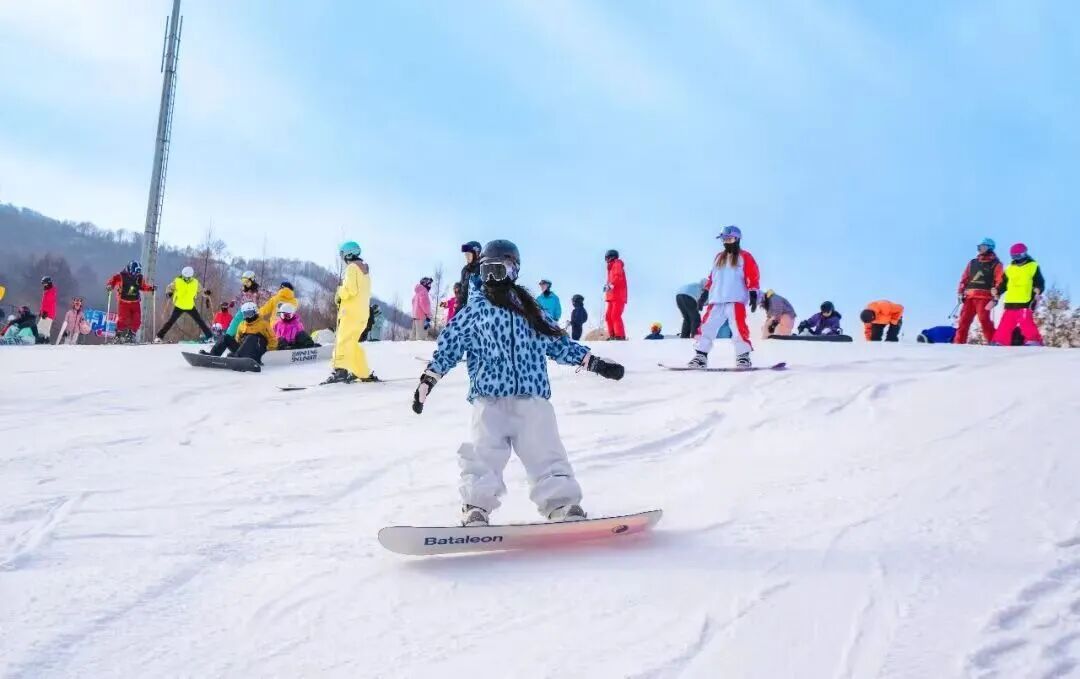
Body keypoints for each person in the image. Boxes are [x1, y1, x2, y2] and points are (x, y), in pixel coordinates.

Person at [411, 239, 625, 527]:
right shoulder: (474, 310)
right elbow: (449, 346)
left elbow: (558, 343)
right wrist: (429, 379)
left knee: (546, 452)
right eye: (486, 271)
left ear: (513, 271)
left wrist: (595, 363)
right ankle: (476, 507)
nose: (491, 278)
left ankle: (561, 504)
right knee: (483, 455)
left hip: (531, 400)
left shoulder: (530, 310)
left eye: (498, 270)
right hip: (489, 400)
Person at [687, 225, 760, 369]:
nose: (727, 242)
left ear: (737, 239)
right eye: (724, 240)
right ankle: (701, 356)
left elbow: (753, 275)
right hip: (716, 299)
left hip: (735, 298)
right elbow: (712, 278)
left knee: (738, 328)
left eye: (730, 239)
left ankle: (743, 356)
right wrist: (704, 294)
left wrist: (753, 292)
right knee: (707, 327)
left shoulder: (745, 256)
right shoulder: (718, 258)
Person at [325, 241, 377, 383]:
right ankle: (362, 372)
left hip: (350, 313)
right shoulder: (365, 272)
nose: (342, 258)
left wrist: (339, 292)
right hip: (362, 314)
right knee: (352, 343)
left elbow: (350, 290)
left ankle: (340, 370)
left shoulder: (352, 268)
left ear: (348, 254)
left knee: (342, 341)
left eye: (342, 254)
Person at [990, 243, 1044, 346]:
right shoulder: (1010, 268)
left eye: (1018, 256)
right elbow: (1004, 283)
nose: (1016, 259)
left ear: (1024, 254)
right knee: (1006, 322)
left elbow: (1039, 281)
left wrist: (1039, 289)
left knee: (1026, 321)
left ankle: (1033, 340)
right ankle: (1000, 341)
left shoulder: (1033, 266)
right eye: (1013, 256)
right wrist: (998, 291)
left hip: (1025, 299)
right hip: (1011, 299)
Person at [954, 237, 1004, 344]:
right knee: (963, 320)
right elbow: (965, 278)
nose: (980, 249)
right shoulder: (973, 263)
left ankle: (993, 342)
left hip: (984, 297)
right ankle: (958, 343)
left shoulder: (996, 264)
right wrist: (960, 292)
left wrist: (996, 293)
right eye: (979, 247)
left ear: (990, 248)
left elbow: (999, 280)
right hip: (969, 297)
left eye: (983, 247)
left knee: (984, 320)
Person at [156, 266, 213, 343]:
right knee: (170, 321)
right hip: (179, 305)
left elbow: (201, 291)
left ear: (191, 276)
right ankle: (159, 336)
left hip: (190, 306)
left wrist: (206, 292)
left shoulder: (195, 283)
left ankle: (210, 337)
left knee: (200, 321)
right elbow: (169, 288)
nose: (186, 279)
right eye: (185, 277)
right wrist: (169, 293)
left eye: (188, 277)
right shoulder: (177, 281)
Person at [203, 302, 276, 361]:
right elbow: (237, 339)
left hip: (256, 353)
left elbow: (273, 340)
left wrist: (266, 354)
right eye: (245, 314)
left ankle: (238, 356)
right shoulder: (242, 324)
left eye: (249, 314)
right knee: (226, 337)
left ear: (255, 312)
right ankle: (213, 355)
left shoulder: (263, 324)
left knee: (251, 337)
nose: (247, 317)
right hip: (242, 351)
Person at [106, 261, 155, 343]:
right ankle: (118, 336)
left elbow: (143, 286)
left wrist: (150, 288)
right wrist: (110, 285)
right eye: (134, 272)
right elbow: (113, 280)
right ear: (130, 269)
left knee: (137, 320)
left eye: (137, 272)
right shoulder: (121, 276)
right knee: (123, 319)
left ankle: (131, 335)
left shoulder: (139, 277)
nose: (135, 274)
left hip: (135, 302)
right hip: (123, 302)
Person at [226, 271, 271, 337]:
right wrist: (233, 302)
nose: (245, 283)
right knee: (235, 322)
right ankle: (228, 336)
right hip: (242, 310)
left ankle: (251, 337)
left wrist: (275, 298)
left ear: (252, 280)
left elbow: (268, 295)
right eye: (244, 281)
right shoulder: (243, 289)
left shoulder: (258, 289)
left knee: (251, 326)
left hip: (253, 311)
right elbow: (238, 297)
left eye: (247, 281)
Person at [603, 249, 628, 340]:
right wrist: (607, 286)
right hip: (612, 296)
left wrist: (611, 285)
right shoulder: (611, 267)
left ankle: (620, 335)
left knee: (615, 315)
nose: (606, 260)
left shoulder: (617, 263)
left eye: (607, 258)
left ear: (611, 257)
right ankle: (612, 335)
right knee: (608, 316)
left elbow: (618, 277)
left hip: (618, 295)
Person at [457, 240, 482, 311]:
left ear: (477, 253)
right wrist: (458, 289)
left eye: (469, 254)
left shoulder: (483, 267)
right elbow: (462, 285)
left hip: (478, 307)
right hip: (464, 305)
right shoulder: (465, 269)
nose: (466, 256)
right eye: (466, 254)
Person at [38, 276, 58, 342]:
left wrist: (45, 312)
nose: (44, 285)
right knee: (42, 326)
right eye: (43, 283)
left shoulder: (51, 291)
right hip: (46, 312)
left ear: (49, 283)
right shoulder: (47, 291)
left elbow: (50, 303)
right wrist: (41, 311)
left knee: (44, 326)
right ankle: (43, 339)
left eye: (45, 283)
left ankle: (44, 339)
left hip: (49, 313)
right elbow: (43, 303)